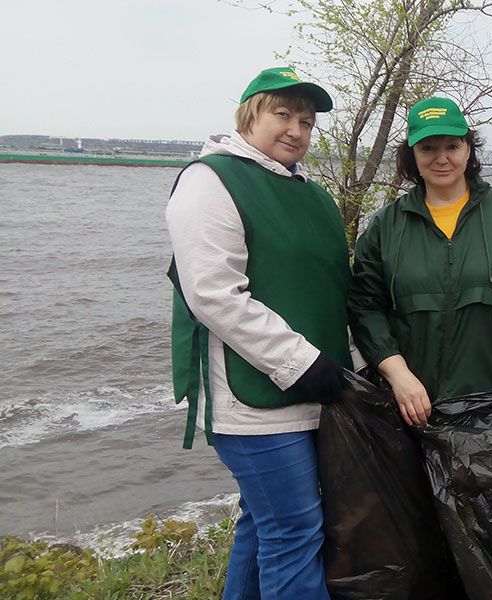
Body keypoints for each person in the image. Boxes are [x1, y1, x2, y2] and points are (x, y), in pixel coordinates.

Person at [166, 67, 351, 599]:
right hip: (253, 403)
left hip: (316, 392)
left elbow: (330, 286)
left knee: (263, 522)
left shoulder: (311, 195)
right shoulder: (210, 180)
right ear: (250, 114)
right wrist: (301, 362)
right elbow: (213, 293)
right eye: (283, 114)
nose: (296, 129)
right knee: (294, 531)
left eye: (307, 121)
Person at [348, 96, 492, 427]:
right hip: (411, 409)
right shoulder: (386, 226)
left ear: (468, 149)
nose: (442, 158)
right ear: (412, 156)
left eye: (452, 145)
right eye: (428, 148)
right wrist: (397, 373)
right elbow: (364, 306)